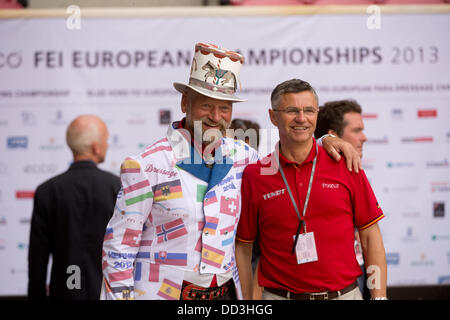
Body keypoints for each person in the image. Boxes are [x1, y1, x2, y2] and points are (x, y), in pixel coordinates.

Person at [100, 43, 360, 300]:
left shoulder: (243, 157)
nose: (216, 116)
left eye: (224, 107)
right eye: (206, 105)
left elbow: (292, 160)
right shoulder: (146, 164)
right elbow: (119, 248)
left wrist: (324, 140)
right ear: (184, 102)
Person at [236, 79, 387, 300]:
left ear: (316, 114)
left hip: (345, 295)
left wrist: (379, 297)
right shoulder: (256, 174)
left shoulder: (346, 163)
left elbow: (370, 236)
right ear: (273, 116)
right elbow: (243, 247)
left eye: (309, 110)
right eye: (291, 110)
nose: (301, 118)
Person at [28, 114, 121, 299]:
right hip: (109, 294)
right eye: (106, 140)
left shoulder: (47, 191)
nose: (108, 145)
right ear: (95, 147)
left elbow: (37, 259)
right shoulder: (117, 187)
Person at [315, 99, 370, 299]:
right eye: (356, 131)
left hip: (356, 271)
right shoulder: (304, 173)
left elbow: (372, 236)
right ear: (333, 136)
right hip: (317, 282)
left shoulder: (354, 170)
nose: (364, 137)